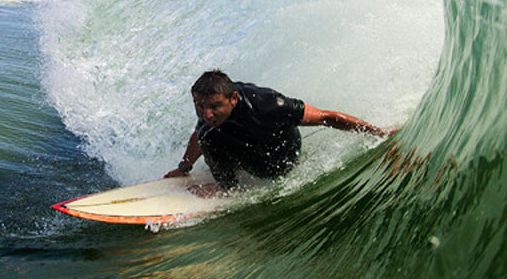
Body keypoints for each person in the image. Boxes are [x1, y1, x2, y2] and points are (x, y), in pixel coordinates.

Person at [164, 70, 394, 191]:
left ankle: (226, 190)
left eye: (214, 107)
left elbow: (327, 117)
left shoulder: (268, 105)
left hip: (281, 157)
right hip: (249, 144)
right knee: (207, 134)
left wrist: (378, 133)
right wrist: (183, 167)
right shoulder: (209, 110)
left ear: (233, 98)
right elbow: (199, 133)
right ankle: (231, 173)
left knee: (211, 137)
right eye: (199, 106)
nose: (207, 113)